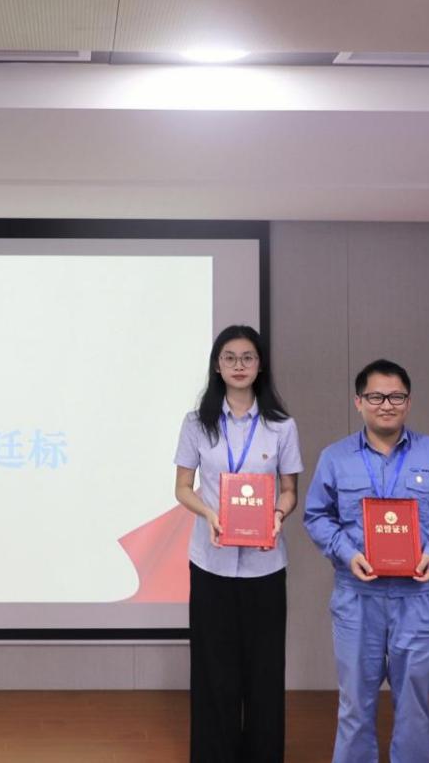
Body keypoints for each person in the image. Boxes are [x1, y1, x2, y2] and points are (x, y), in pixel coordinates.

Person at [303, 359, 429, 763]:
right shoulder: (335, 457)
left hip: (417, 598)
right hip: (356, 597)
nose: (386, 405)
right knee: (354, 706)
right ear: (359, 401)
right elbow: (316, 515)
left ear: (408, 402)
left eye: (396, 397)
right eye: (376, 397)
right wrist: (347, 553)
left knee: (414, 707)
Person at [174, 324, 302, 763]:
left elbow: (290, 490)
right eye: (229, 357)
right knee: (214, 670)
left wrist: (277, 515)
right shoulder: (197, 424)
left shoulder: (281, 426)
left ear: (260, 365)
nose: (239, 365)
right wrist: (209, 513)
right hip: (211, 562)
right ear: (217, 366)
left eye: (248, 357)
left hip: (265, 566)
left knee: (264, 670)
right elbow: (182, 488)